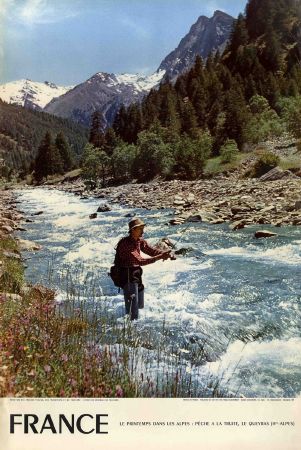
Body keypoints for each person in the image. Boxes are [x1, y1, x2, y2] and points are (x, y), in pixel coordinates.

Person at [116, 217, 172, 320]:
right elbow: (140, 261)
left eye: (143, 229)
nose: (143, 231)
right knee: (133, 315)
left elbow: (150, 250)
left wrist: (166, 254)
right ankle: (128, 331)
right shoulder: (126, 244)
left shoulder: (139, 241)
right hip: (128, 277)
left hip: (136, 274)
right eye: (140, 229)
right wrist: (160, 257)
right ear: (133, 230)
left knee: (140, 307)